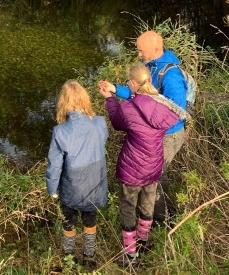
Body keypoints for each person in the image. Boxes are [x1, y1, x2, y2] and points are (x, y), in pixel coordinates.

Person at [98, 64, 188, 266]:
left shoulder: (128, 108)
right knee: (147, 206)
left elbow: (117, 122)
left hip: (132, 169)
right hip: (154, 166)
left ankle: (130, 254)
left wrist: (110, 98)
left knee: (128, 208)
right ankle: (143, 240)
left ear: (131, 83)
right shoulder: (163, 105)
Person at [99, 29, 187, 223]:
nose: (139, 55)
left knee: (157, 176)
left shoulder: (171, 75)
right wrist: (115, 89)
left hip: (167, 135)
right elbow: (139, 94)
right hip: (154, 134)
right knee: (153, 175)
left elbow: (177, 111)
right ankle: (153, 216)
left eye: (141, 51)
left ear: (156, 48)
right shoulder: (151, 67)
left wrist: (147, 124)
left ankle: (162, 219)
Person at [46, 80, 109, 270]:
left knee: (68, 221)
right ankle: (89, 257)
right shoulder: (100, 123)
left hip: (71, 187)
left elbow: (54, 165)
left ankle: (69, 256)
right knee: (90, 220)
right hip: (95, 185)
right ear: (84, 99)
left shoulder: (60, 131)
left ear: (63, 103)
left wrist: (52, 190)